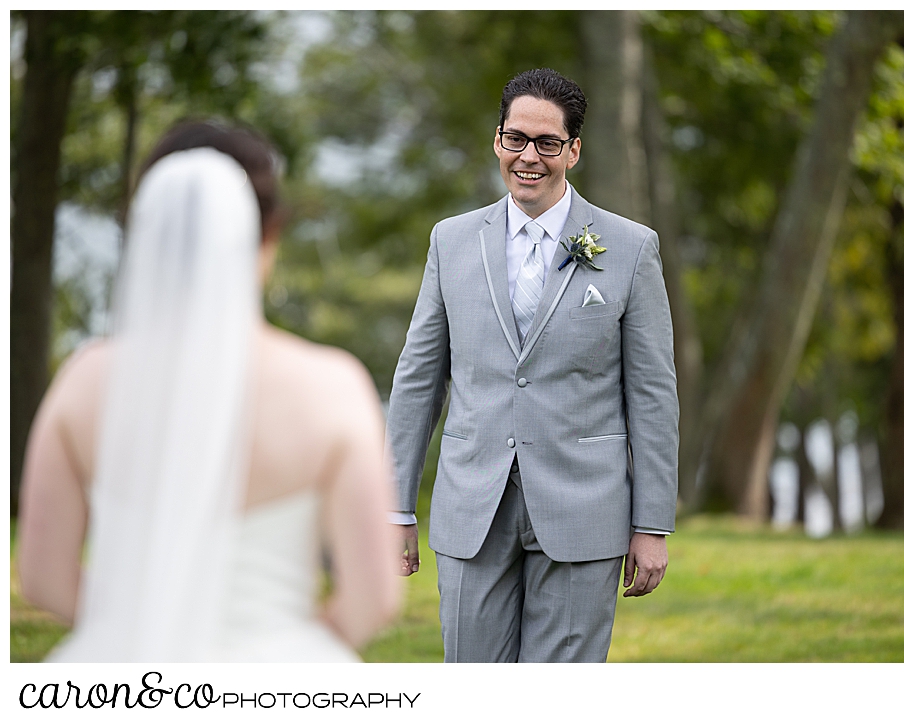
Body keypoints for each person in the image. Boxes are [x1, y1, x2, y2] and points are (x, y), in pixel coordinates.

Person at [16, 120, 400, 662]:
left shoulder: (84, 379)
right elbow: (372, 599)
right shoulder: (332, 386)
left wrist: (143, 633)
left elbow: (44, 579)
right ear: (268, 233)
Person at [386, 68, 678, 663]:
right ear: (498, 140)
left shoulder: (630, 248)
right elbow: (418, 380)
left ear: (573, 149)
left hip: (584, 509)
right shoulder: (451, 241)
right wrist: (395, 506)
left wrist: (652, 524)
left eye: (547, 143)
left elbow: (652, 395)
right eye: (515, 138)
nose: (529, 157)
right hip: (473, 505)